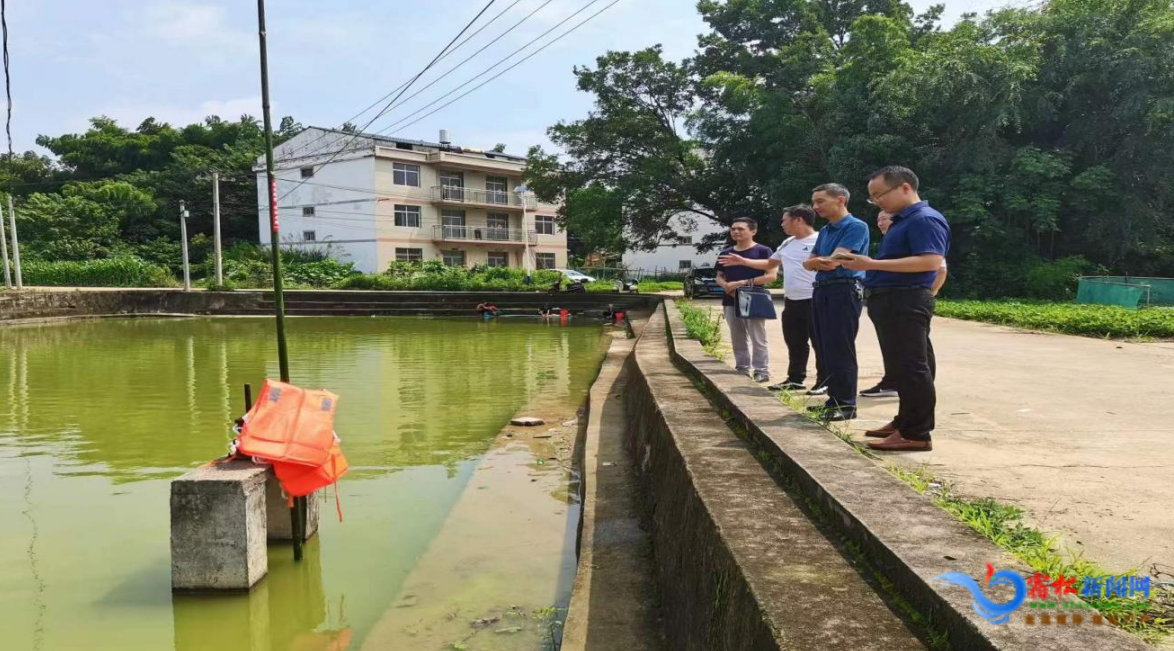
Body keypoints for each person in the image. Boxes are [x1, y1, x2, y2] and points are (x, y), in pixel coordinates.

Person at [840, 166, 950, 452]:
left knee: (912, 367)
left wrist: (872, 265)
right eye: (873, 198)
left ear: (904, 187)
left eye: (880, 195)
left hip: (906, 298)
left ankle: (916, 433)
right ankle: (904, 421)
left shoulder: (924, 220)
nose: (878, 202)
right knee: (901, 367)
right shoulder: (902, 221)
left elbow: (929, 262)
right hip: (892, 299)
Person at [718, 205, 823, 392]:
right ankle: (795, 379)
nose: (782, 224)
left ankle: (824, 381)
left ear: (798, 220)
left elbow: (771, 273)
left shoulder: (821, 240)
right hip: (792, 299)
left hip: (816, 298)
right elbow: (770, 263)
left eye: (784, 220)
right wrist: (743, 261)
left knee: (820, 342)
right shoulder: (787, 243)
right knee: (795, 342)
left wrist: (744, 279)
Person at [860, 211, 948, 398]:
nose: (881, 223)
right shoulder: (893, 240)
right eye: (878, 219)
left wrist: (929, 293)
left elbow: (938, 268)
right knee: (897, 350)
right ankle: (894, 384)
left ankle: (923, 389)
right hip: (888, 299)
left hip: (911, 297)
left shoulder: (922, 224)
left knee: (917, 353)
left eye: (884, 218)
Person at [802, 183, 870, 421]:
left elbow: (833, 262)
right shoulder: (826, 231)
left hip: (843, 290)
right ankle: (833, 401)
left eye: (820, 201)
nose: (815, 206)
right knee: (825, 347)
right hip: (822, 290)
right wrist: (819, 261)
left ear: (840, 200)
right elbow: (808, 263)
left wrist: (819, 261)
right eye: (814, 202)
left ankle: (846, 405)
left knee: (841, 348)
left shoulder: (856, 226)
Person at [714, 217, 778, 383]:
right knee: (737, 337)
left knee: (758, 337)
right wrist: (726, 285)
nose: (736, 231)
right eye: (733, 229)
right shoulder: (725, 252)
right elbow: (719, 276)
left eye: (741, 229)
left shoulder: (764, 251)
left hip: (754, 299)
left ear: (753, 231)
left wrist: (741, 284)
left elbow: (771, 276)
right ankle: (742, 368)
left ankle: (761, 370)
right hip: (730, 299)